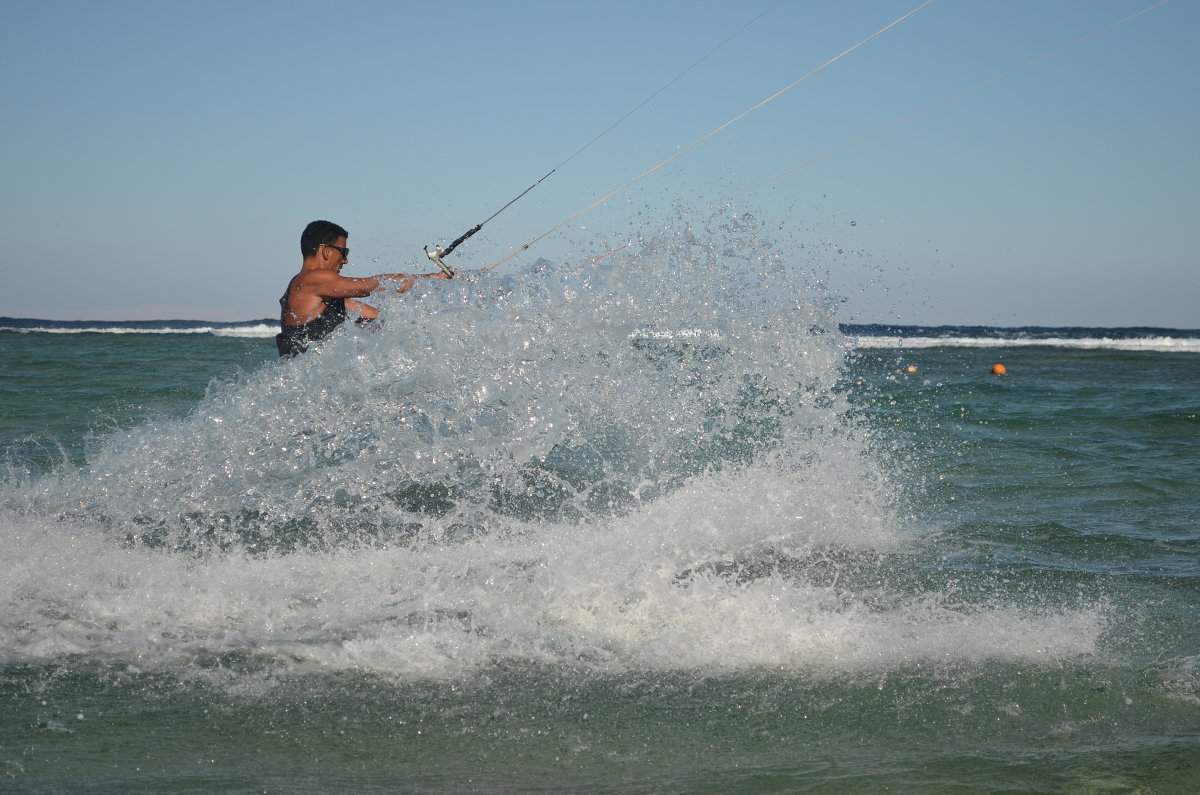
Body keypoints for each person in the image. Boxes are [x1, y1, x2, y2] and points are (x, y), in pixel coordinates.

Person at [276, 220, 454, 357]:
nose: (345, 261)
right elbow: (371, 285)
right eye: (344, 252)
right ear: (326, 251)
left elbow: (383, 321)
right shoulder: (309, 280)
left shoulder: (324, 299)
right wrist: (432, 278)